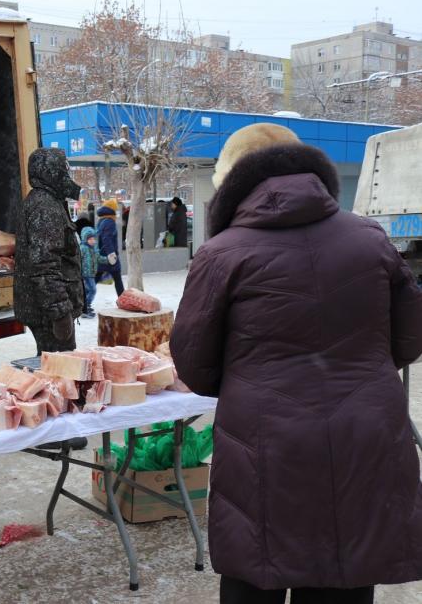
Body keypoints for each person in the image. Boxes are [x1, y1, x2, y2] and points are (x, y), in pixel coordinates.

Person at [170, 123, 422, 604]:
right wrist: (359, 365)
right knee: (346, 571)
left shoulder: (221, 253)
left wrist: (252, 377)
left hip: (264, 441)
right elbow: (410, 337)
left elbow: (195, 365)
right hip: (363, 434)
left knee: (256, 569)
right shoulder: (369, 238)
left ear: (232, 184)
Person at [14, 147, 84, 354]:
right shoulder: (45, 207)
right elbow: (44, 265)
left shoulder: (47, 201)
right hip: (49, 313)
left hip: (47, 309)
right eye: (63, 168)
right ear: (52, 171)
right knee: (60, 372)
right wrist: (60, 313)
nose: (67, 173)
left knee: (54, 367)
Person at [95, 204, 125, 296]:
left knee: (96, 278)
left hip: (102, 254)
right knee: (117, 279)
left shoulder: (102, 220)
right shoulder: (109, 221)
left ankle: (83, 300)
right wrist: (111, 254)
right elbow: (106, 239)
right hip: (109, 256)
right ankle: (123, 300)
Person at [79, 226, 100, 318]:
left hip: (91, 273)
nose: (93, 241)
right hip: (85, 274)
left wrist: (108, 259)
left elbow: (99, 258)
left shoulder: (94, 249)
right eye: (90, 239)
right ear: (85, 239)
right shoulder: (82, 248)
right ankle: (85, 308)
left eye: (93, 239)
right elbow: (78, 260)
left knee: (88, 291)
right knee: (92, 290)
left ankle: (85, 307)